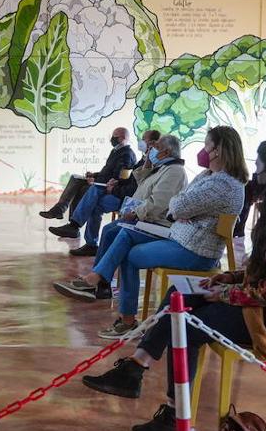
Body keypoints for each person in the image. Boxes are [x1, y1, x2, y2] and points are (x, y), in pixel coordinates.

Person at [79, 132, 266, 431]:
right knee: (181, 294)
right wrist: (229, 278)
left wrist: (223, 293)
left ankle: (174, 414)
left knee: (186, 326)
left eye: (261, 167)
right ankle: (136, 368)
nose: (256, 173)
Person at [55, 126, 247, 339]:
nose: (202, 151)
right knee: (125, 233)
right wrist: (181, 208)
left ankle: (122, 315)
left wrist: (181, 209)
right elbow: (179, 203)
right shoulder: (208, 175)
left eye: (206, 146)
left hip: (196, 250)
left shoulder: (223, 184)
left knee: (129, 253)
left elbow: (177, 205)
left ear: (217, 150)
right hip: (180, 236)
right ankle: (97, 282)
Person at [53, 134, 189, 301]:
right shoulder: (161, 167)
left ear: (167, 151)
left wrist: (136, 213)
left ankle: (97, 282)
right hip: (144, 219)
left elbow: (158, 203)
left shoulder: (175, 171)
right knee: (109, 229)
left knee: (118, 231)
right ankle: (101, 285)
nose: (152, 150)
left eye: (156, 148)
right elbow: (140, 182)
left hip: (156, 224)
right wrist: (147, 163)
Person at [50, 128, 160, 255]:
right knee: (91, 198)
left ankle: (75, 226)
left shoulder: (141, 159)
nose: (141, 142)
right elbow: (128, 180)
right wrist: (116, 183)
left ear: (152, 143)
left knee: (93, 192)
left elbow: (135, 189)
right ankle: (88, 241)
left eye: (144, 139)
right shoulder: (143, 159)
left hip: (128, 200)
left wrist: (114, 188)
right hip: (120, 192)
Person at [39, 127, 136, 221]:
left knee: (82, 189)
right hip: (101, 181)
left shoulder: (126, 154)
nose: (112, 139)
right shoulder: (115, 151)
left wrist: (96, 181)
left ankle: (71, 222)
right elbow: (107, 172)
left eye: (115, 136)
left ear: (123, 138)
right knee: (75, 178)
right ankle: (60, 211)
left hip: (107, 186)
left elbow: (116, 177)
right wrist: (94, 175)